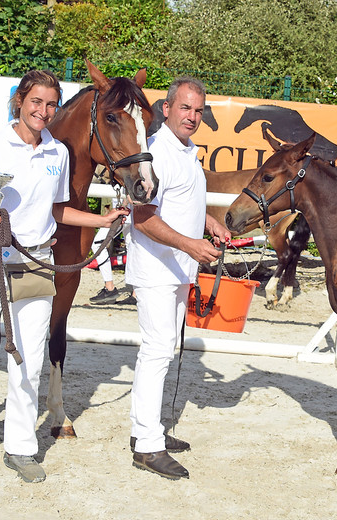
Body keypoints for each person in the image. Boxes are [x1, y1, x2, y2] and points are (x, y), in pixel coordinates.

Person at [0, 69, 129, 485]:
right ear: (21, 100)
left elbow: (56, 211)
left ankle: (20, 448)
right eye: (36, 102)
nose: (44, 111)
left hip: (37, 265)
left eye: (51, 104)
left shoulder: (57, 152)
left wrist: (101, 217)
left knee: (27, 363)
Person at [125, 77, 230, 480]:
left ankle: (145, 430)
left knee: (162, 350)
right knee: (156, 349)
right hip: (156, 267)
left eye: (198, 110)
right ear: (166, 109)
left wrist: (208, 221)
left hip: (177, 267)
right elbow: (142, 216)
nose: (192, 116)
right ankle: (148, 446)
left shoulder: (187, 152)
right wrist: (190, 244)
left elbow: (177, 200)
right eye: (185, 107)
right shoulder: (154, 154)